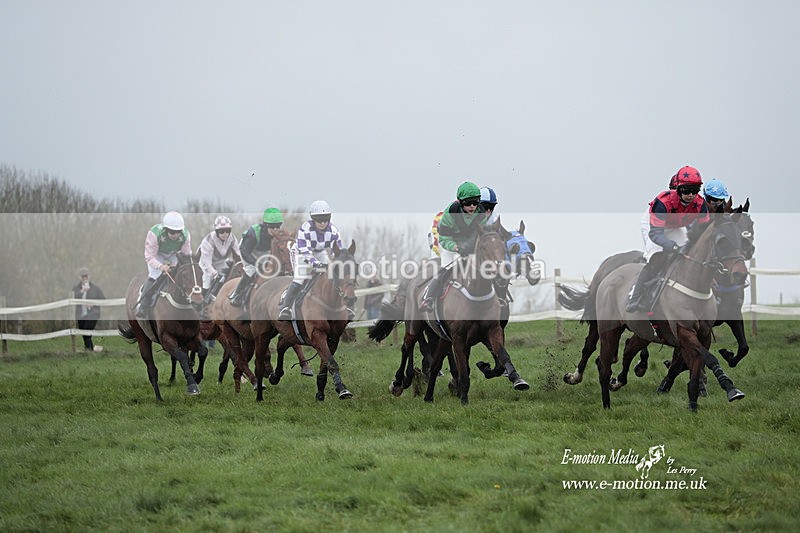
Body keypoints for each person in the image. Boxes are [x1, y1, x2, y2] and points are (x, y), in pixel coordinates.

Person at [627, 166, 710, 313]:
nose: (691, 195)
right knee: (656, 256)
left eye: (695, 190)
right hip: (654, 226)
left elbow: (704, 231)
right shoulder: (663, 202)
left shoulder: (700, 204)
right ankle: (635, 296)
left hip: (676, 225)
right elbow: (655, 234)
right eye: (686, 190)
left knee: (688, 253)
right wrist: (670, 245)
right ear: (677, 189)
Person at [420, 181, 488, 312]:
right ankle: (427, 298)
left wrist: (468, 247)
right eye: (468, 203)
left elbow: (479, 234)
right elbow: (444, 238)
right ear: (460, 202)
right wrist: (456, 247)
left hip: (468, 244)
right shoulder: (451, 212)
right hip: (449, 242)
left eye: (476, 202)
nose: (472, 206)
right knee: (448, 268)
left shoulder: (481, 213)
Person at [278, 200, 352, 320]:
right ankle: (285, 308)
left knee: (333, 275)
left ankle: (344, 306)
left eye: (325, 219)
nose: (322, 223)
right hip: (300, 252)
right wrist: (315, 263)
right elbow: (305, 251)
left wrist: (336, 264)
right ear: (313, 219)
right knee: (300, 278)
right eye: (319, 220)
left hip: (319, 252)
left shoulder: (333, 231)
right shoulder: (305, 229)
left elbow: (336, 252)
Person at [134, 211, 192, 319]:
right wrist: (161, 266)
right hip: (157, 254)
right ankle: (143, 305)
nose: (175, 235)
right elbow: (150, 257)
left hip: (174, 253)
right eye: (172, 232)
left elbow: (186, 256)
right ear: (165, 229)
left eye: (178, 231)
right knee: (155, 275)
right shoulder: (154, 234)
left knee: (183, 273)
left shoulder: (186, 235)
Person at [229, 208, 283, 308]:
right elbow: (245, 252)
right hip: (248, 250)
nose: (276, 229)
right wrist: (257, 263)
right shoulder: (253, 233)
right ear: (266, 225)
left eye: (278, 226)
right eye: (272, 227)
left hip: (264, 251)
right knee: (252, 270)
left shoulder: (280, 234)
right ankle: (237, 294)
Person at [198, 215, 241, 306]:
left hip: (221, 261)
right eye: (222, 231)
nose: (225, 234)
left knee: (227, 275)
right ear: (216, 231)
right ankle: (201, 305)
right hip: (205, 263)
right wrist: (214, 273)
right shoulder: (209, 241)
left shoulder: (232, 239)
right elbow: (206, 262)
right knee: (207, 280)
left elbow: (238, 255)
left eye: (228, 231)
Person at [71, 267, 105, 352]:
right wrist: (82, 291)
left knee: (86, 330)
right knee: (84, 333)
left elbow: (103, 299)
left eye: (86, 276)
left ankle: (89, 349)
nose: (85, 278)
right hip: (80, 315)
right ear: (80, 277)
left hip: (93, 314)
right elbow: (73, 298)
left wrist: (93, 303)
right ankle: (90, 349)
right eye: (83, 276)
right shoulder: (76, 288)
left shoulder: (95, 288)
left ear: (89, 276)